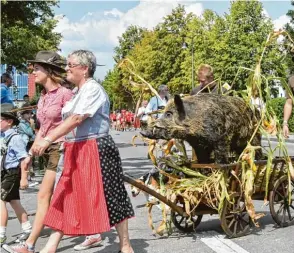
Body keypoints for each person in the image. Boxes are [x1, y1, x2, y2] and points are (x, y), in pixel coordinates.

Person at [30, 50, 134, 253]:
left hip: (96, 148)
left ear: (84, 69)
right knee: (64, 194)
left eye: (71, 64)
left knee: (111, 196)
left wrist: (48, 139)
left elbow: (77, 119)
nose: (66, 68)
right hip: (75, 149)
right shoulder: (77, 92)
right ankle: (50, 247)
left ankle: (126, 246)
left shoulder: (93, 89)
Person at [9, 51, 73, 253]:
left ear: (49, 71)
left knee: (44, 196)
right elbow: (42, 129)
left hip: (62, 149)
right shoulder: (44, 98)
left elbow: (72, 125)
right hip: (48, 149)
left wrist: (50, 141)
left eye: (37, 68)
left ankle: (29, 244)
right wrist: (29, 155)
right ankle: (94, 232)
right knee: (61, 196)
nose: (32, 72)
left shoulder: (66, 94)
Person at [0, 104, 32, 246]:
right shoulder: (2, 135)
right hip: (4, 172)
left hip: (13, 173)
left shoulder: (15, 138)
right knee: (14, 202)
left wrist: (24, 178)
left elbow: (25, 159)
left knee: (0, 202)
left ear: (9, 121)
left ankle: (1, 234)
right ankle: (27, 228)